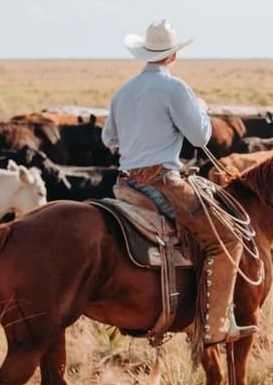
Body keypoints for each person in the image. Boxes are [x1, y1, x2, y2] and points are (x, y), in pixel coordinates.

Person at [101, 20, 255, 357]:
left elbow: (108, 139)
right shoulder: (175, 89)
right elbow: (201, 138)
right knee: (227, 240)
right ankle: (215, 326)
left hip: (127, 184)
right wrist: (198, 108)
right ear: (172, 55)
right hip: (163, 184)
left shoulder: (123, 91)